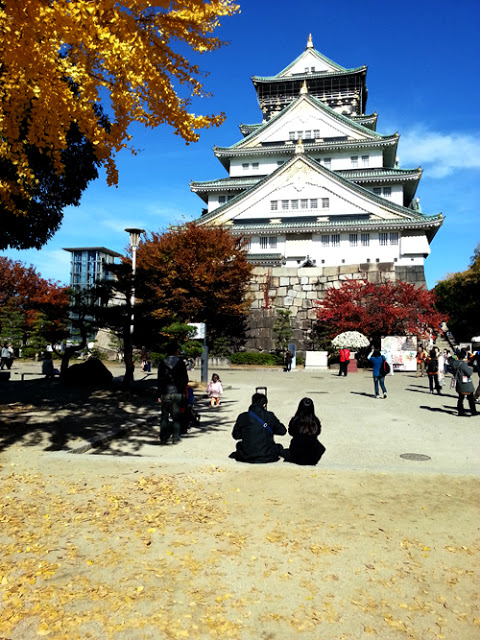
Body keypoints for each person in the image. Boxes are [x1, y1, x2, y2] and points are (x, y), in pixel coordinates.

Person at [230, 392, 287, 463]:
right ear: (264, 404)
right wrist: (268, 429)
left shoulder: (242, 416)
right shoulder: (269, 416)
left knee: (239, 445)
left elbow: (236, 435)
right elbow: (282, 431)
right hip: (267, 456)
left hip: (247, 456)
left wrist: (249, 433)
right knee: (278, 447)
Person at [157, 342, 189, 444]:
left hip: (165, 392)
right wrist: (182, 389)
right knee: (176, 416)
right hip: (177, 392)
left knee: (164, 416)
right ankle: (175, 437)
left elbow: (160, 380)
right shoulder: (180, 363)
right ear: (175, 351)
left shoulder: (162, 363)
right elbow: (185, 379)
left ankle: (163, 437)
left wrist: (159, 394)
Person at [287, 397, 326, 466]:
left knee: (295, 442)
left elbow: (290, 432)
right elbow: (318, 432)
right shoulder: (315, 421)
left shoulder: (295, 420)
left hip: (297, 455)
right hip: (312, 457)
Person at [449, 349, 477, 417]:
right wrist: (471, 368)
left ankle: (460, 410)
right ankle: (473, 411)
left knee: (460, 398)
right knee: (470, 398)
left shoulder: (455, 363)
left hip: (459, 382)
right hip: (465, 383)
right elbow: (469, 373)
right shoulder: (463, 364)